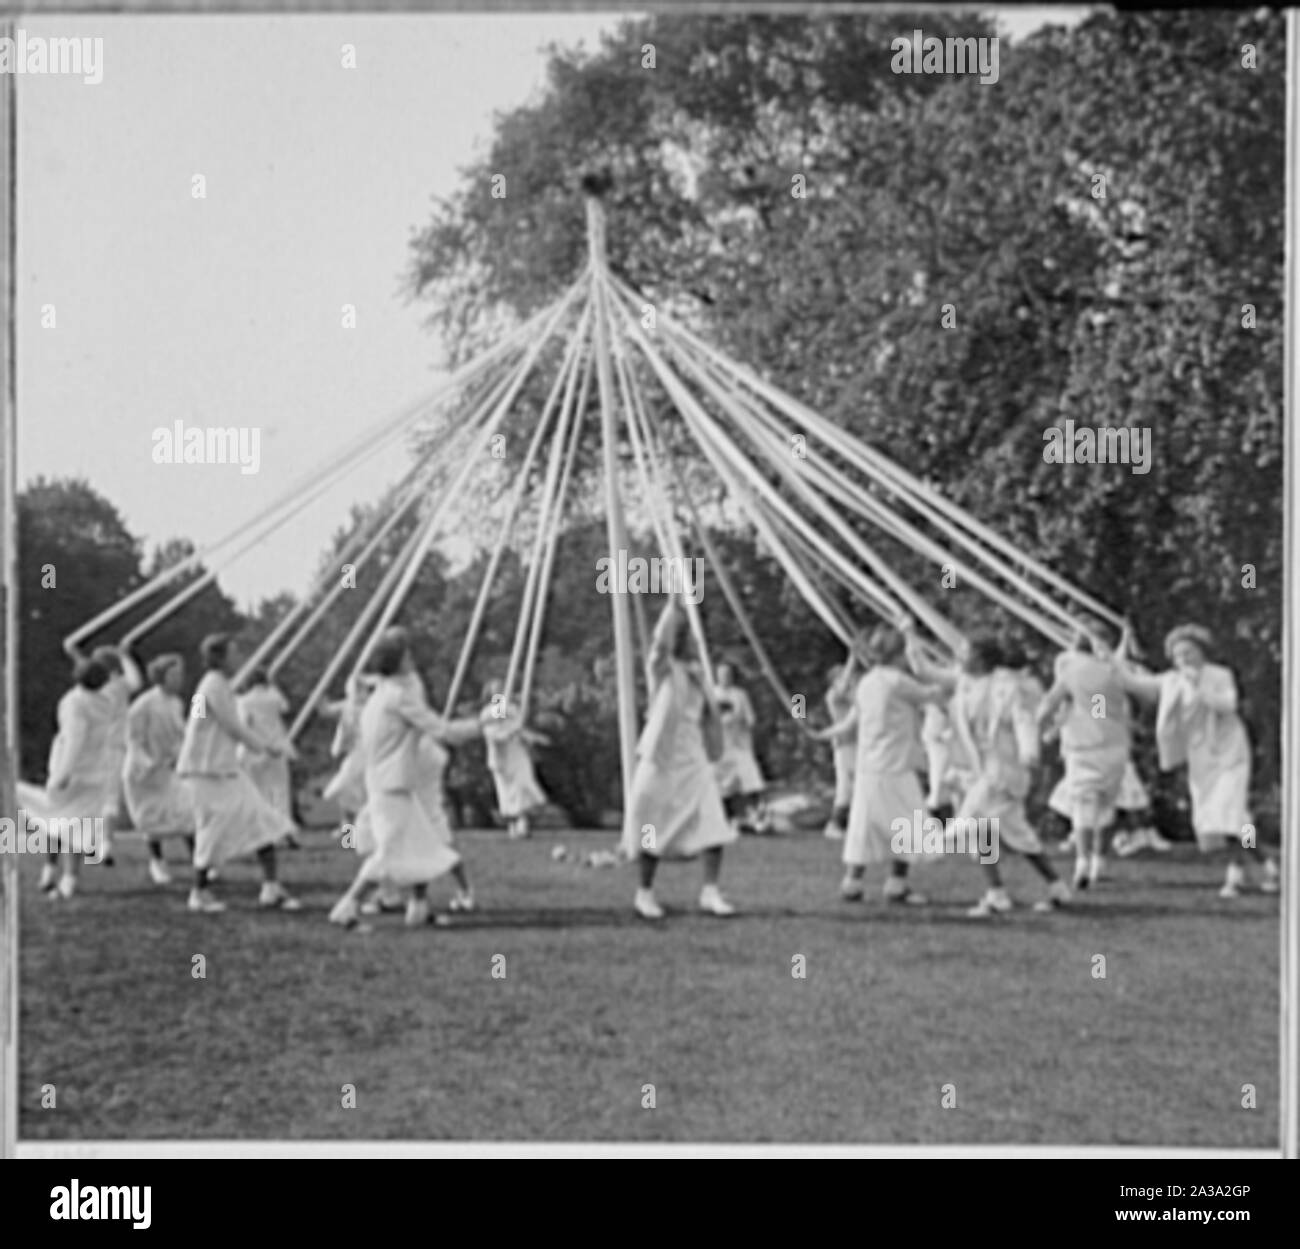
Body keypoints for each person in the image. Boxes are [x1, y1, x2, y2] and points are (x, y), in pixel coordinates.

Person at [328, 627, 482, 930]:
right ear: (399, 663)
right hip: (391, 786)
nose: (413, 659)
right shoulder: (398, 698)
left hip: (389, 784)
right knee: (390, 852)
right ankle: (347, 906)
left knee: (421, 845)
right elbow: (442, 731)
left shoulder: (380, 696)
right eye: (407, 655)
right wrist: (485, 721)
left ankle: (419, 908)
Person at [1116, 623, 1280, 898]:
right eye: (1178, 655)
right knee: (1228, 820)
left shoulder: (1220, 675)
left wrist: (1199, 687)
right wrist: (1117, 650)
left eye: (1189, 652)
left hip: (1230, 753)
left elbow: (1228, 704)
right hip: (1201, 758)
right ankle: (1267, 864)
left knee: (1232, 814)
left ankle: (1235, 875)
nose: (1184, 659)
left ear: (1202, 651)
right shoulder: (1171, 680)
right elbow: (1130, 681)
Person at [620, 596, 738, 920]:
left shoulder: (700, 675)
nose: (693, 645)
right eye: (686, 638)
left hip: (694, 757)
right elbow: (659, 644)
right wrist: (674, 606)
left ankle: (711, 891)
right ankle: (644, 892)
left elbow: (704, 712)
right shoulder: (661, 669)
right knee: (649, 822)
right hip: (661, 757)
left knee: (713, 820)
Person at [815, 620, 943, 905]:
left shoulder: (867, 683)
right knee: (909, 821)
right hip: (895, 766)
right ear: (898, 655)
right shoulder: (898, 682)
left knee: (865, 823)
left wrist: (824, 733)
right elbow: (931, 693)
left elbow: (851, 722)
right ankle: (896, 883)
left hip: (869, 767)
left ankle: (853, 882)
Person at [176, 634, 300, 914]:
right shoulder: (215, 686)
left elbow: (199, 721)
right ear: (220, 658)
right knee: (212, 828)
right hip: (207, 772)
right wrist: (265, 747)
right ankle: (199, 892)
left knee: (262, 818)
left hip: (221, 770)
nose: (240, 659)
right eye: (234, 653)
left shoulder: (210, 686)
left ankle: (271, 887)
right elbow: (233, 726)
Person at [951, 636, 1070, 916]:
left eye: (965, 652)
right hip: (983, 770)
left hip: (1004, 770)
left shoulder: (1007, 688)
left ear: (980, 659)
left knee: (971, 825)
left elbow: (1022, 719)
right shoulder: (966, 685)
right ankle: (1047, 888)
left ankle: (997, 892)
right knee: (1010, 832)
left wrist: (1030, 751)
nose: (959, 657)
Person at [1036, 618, 1133, 890]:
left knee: (1086, 804)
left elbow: (1051, 704)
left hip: (1085, 746)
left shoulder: (1073, 669)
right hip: (1110, 747)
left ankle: (1085, 860)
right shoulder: (1110, 670)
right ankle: (1094, 860)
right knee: (1103, 804)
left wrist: (1040, 724)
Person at [21, 656, 117, 899]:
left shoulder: (81, 701)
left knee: (62, 819)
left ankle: (54, 871)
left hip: (82, 767)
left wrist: (63, 773)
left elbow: (75, 739)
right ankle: (68, 876)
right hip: (95, 768)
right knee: (75, 823)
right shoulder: (106, 700)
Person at [123, 652, 196, 885]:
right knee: (151, 819)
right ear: (160, 677)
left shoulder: (177, 703)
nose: (179, 679)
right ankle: (157, 862)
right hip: (142, 773)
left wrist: (183, 756)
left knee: (187, 811)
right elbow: (133, 739)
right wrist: (147, 763)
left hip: (166, 770)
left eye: (180, 675)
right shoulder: (143, 704)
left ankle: (199, 862)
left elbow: (182, 733)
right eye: (174, 675)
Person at [87, 644, 143, 866]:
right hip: (114, 748)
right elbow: (136, 681)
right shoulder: (118, 686)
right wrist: (125, 655)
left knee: (96, 798)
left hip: (93, 748)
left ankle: (97, 842)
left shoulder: (91, 689)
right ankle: (105, 844)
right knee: (109, 799)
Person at [479, 678, 549, 840]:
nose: (500, 691)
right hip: (502, 756)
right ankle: (516, 825)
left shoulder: (511, 709)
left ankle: (522, 823)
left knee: (523, 784)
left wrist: (534, 738)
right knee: (508, 793)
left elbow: (518, 728)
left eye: (502, 688)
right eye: (496, 689)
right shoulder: (489, 712)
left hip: (517, 753)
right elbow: (495, 733)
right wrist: (510, 730)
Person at [237, 668, 299, 846]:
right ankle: (286, 832)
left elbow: (244, 725)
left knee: (258, 793)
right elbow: (285, 707)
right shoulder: (274, 697)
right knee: (280, 793)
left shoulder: (244, 701)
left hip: (255, 750)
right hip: (277, 749)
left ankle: (262, 833)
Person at [713, 663, 769, 835]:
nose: (725, 677)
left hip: (740, 746)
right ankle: (729, 820)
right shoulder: (711, 694)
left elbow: (750, 718)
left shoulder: (740, 695)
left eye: (728, 674)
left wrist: (742, 723)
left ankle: (758, 816)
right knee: (723, 785)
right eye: (722, 674)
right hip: (719, 747)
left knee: (750, 779)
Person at [822, 657, 858, 840]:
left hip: (857, 743)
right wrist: (853, 657)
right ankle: (834, 824)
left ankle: (849, 824)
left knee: (858, 786)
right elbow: (843, 687)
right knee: (845, 787)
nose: (848, 678)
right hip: (844, 744)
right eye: (842, 676)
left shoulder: (851, 694)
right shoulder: (833, 695)